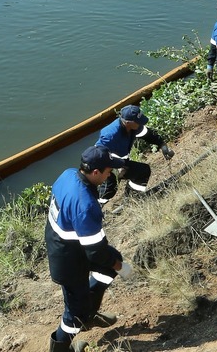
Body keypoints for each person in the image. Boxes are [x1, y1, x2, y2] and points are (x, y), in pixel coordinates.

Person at [45, 146, 127, 352]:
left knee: (109, 266)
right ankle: (60, 348)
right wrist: (122, 267)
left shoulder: (68, 174)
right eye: (109, 171)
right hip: (67, 259)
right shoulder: (85, 205)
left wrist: (114, 263)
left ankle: (90, 313)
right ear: (96, 172)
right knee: (75, 313)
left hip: (68, 244)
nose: (111, 175)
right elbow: (97, 252)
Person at [95, 104, 173, 204]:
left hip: (122, 163)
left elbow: (148, 135)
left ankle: (132, 200)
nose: (140, 124)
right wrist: (116, 166)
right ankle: (97, 210)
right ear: (128, 122)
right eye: (138, 122)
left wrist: (162, 145)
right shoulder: (109, 134)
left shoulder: (134, 127)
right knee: (109, 188)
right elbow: (100, 154)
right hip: (106, 165)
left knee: (142, 171)